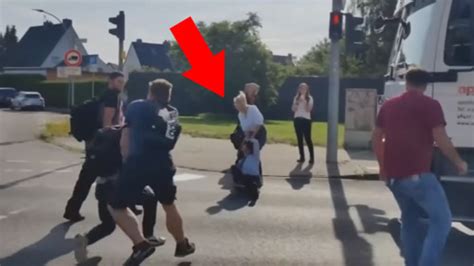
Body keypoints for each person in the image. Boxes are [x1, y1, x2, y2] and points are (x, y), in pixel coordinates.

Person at [372, 68, 468, 266]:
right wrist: (459, 162)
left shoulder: (389, 106)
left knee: (410, 220)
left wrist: (383, 167)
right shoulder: (430, 105)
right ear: (426, 85)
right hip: (417, 176)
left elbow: (376, 137)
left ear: (406, 82)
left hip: (394, 178)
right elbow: (440, 137)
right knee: (442, 221)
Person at [108, 79, 195, 265]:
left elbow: (126, 135)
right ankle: (182, 244)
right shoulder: (172, 113)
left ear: (150, 92)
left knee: (116, 205)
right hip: (163, 164)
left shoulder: (137, 106)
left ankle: (141, 244)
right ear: (168, 95)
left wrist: (125, 161)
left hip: (137, 163)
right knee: (168, 204)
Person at [64, 71, 125, 222]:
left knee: (89, 177)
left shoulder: (103, 95)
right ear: (110, 81)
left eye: (122, 82)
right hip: (102, 144)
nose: (121, 84)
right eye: (118, 81)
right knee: (110, 174)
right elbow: (107, 122)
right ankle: (116, 211)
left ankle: (72, 209)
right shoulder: (112, 96)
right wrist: (114, 139)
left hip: (94, 142)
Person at [231, 138, 262, 206]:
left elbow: (256, 143)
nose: (243, 149)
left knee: (251, 184)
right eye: (243, 148)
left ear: (249, 149)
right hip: (245, 177)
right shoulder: (242, 159)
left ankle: (254, 196)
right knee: (234, 168)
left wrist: (249, 137)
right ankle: (241, 187)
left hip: (253, 178)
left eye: (245, 148)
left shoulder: (254, 157)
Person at [292, 83, 314, 164]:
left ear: (307, 89)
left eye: (304, 88)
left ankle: (312, 158)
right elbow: (293, 109)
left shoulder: (310, 98)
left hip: (306, 120)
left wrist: (304, 101)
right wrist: (297, 102)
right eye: (301, 88)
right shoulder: (296, 98)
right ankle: (302, 157)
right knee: (299, 139)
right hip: (297, 119)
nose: (303, 90)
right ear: (299, 89)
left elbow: (308, 110)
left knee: (308, 139)